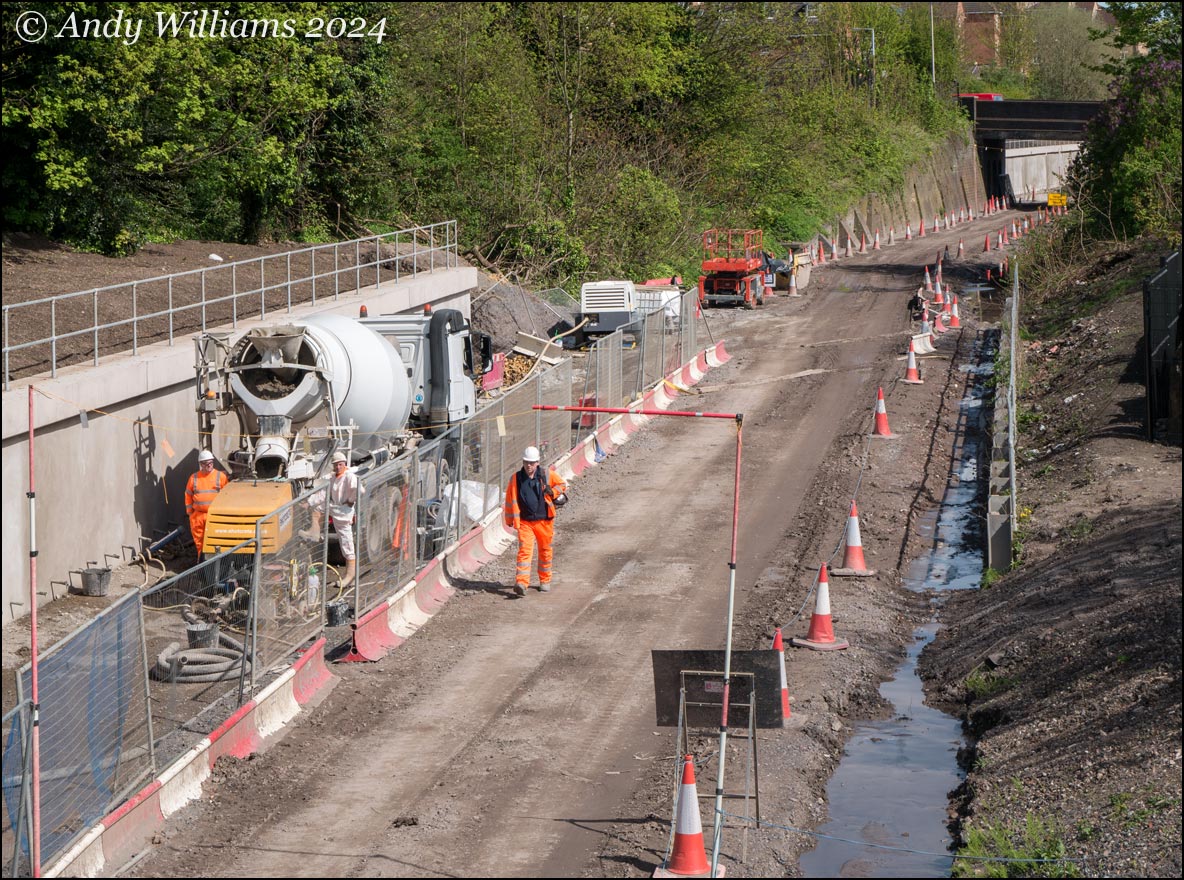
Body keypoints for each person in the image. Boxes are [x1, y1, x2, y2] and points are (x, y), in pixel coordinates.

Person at [504, 446, 567, 596]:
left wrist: (553, 492)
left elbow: (562, 485)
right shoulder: (516, 479)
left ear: (537, 462)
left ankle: (545, 580)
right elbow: (510, 500)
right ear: (523, 462)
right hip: (525, 522)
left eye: (532, 463)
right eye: (526, 462)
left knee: (545, 551)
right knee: (524, 552)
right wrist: (509, 519)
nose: (529, 465)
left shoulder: (546, 474)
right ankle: (521, 583)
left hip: (544, 521)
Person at [309, 451, 361, 584]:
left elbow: (359, 490)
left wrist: (351, 500)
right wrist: (308, 502)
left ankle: (350, 576)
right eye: (335, 465)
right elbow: (323, 494)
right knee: (317, 509)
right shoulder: (333, 477)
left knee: (346, 543)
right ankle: (314, 533)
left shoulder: (349, 476)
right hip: (335, 507)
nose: (337, 467)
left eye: (340, 464)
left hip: (343, 513)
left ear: (344, 464)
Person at [186, 448, 228, 559]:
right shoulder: (194, 478)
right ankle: (201, 562)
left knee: (216, 541)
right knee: (199, 542)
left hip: (215, 516)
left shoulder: (220, 476)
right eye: (206, 463)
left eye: (211, 462)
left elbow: (227, 496)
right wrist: (190, 512)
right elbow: (188, 495)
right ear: (201, 464)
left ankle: (217, 563)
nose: (209, 465)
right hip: (198, 516)